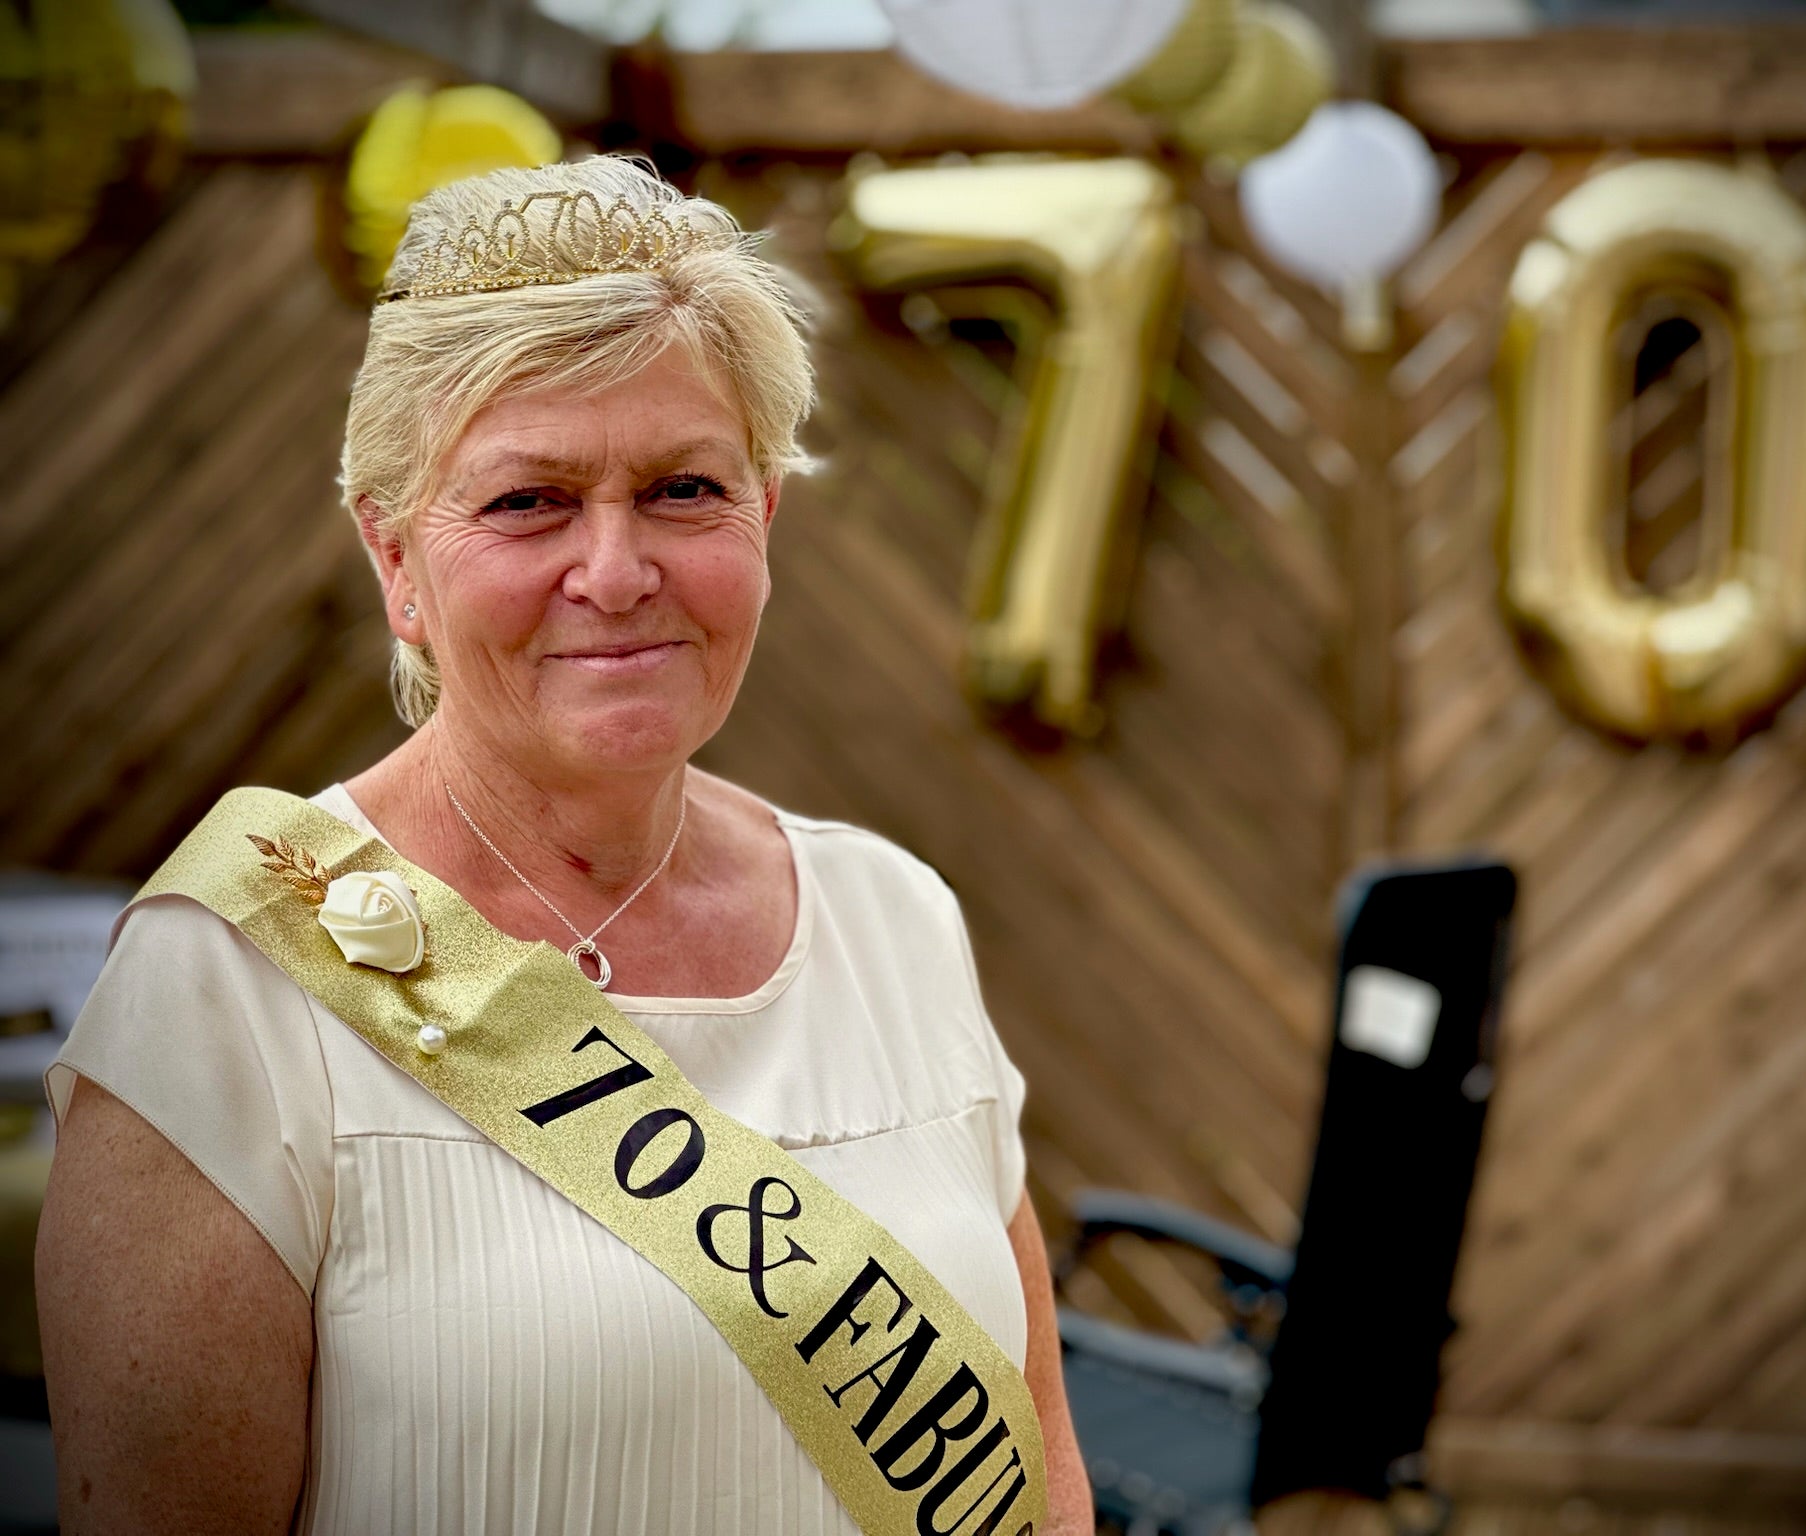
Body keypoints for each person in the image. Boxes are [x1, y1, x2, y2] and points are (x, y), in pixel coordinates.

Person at [35, 156, 1091, 1535]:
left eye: (684, 489)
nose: (616, 571)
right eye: (528, 501)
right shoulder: (229, 987)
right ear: (396, 562)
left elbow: (1041, 1469)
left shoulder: (894, 919)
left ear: (766, 516)